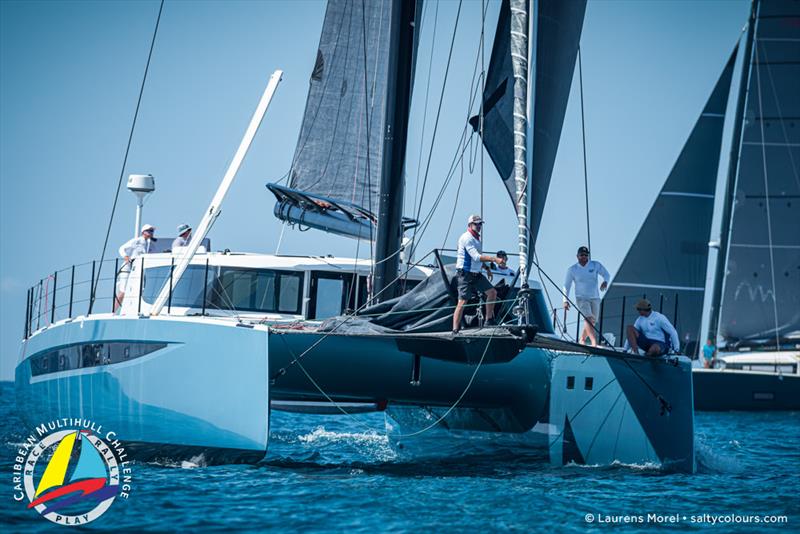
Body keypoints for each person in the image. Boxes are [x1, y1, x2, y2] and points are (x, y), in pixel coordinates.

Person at [452, 215, 503, 334]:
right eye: (476, 224)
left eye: (480, 224)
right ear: (470, 225)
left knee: (492, 292)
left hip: (476, 274)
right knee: (462, 301)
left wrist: (486, 268)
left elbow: (476, 259)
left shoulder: (476, 238)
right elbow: (475, 256)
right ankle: (455, 329)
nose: (479, 226)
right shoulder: (467, 238)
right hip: (465, 274)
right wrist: (494, 260)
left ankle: (488, 320)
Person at [563, 246, 610, 346]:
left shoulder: (595, 265)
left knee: (592, 321)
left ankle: (582, 339)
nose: (584, 257)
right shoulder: (572, 269)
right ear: (577, 256)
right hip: (581, 298)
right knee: (588, 319)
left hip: (595, 297)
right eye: (581, 255)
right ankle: (594, 342)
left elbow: (606, 274)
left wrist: (605, 282)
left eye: (586, 255)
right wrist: (565, 300)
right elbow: (566, 286)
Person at [115, 224, 157, 310]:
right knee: (123, 291)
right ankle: (113, 311)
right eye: (149, 231)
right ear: (143, 232)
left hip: (136, 269)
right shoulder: (136, 241)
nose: (151, 232)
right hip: (127, 268)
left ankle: (126, 310)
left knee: (134, 290)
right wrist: (126, 257)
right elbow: (121, 248)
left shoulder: (148, 243)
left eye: (152, 231)